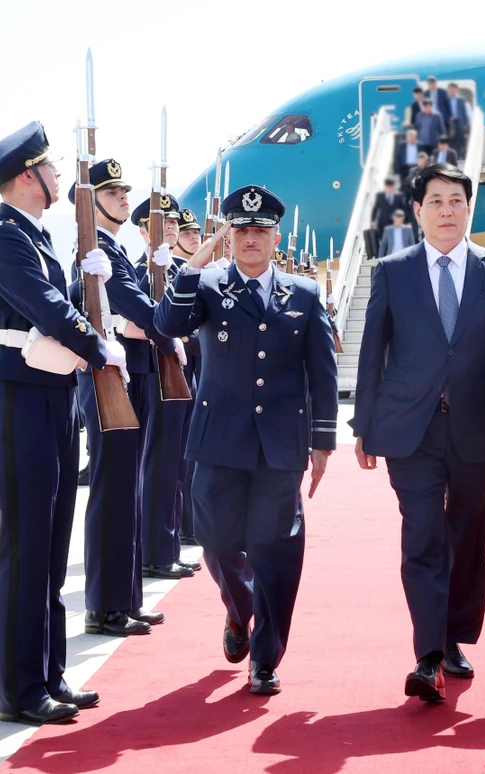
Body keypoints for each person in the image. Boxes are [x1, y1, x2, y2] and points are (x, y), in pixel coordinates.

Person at [350, 164, 485, 702]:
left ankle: (455, 636)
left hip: (481, 427)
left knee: (468, 541)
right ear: (417, 211)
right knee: (423, 536)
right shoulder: (392, 270)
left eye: (456, 200)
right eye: (436, 201)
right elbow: (371, 354)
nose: (447, 210)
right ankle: (427, 656)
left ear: (470, 208)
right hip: (412, 429)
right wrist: (364, 424)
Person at [155, 185, 338, 696]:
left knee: (275, 549)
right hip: (218, 441)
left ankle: (266, 657)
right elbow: (165, 325)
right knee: (215, 543)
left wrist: (321, 441)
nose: (251, 239)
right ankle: (241, 610)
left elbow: (321, 373)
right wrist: (192, 267)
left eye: (260, 231)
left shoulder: (302, 294)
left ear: (275, 236)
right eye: (241, 231)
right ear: (229, 235)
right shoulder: (208, 285)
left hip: (280, 444)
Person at [0, 121, 127, 724]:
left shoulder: (34, 238)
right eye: (49, 167)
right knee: (26, 545)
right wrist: (99, 346)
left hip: (53, 397)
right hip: (17, 401)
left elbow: (61, 301)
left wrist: (97, 277)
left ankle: (49, 672)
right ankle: (19, 689)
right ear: (25, 178)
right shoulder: (3, 240)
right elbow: (47, 310)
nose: (59, 176)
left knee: (51, 545)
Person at [68, 160, 176, 638]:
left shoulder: (112, 251)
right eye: (112, 193)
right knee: (112, 489)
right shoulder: (91, 253)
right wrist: (173, 318)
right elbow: (133, 308)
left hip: (124, 371)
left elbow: (140, 303)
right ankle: (103, 605)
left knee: (127, 488)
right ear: (89, 202)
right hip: (104, 373)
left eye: (125, 191)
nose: (124, 198)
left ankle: (124, 598)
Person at [130, 195, 197, 580]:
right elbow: (135, 311)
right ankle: (156, 551)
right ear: (144, 231)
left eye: (174, 223)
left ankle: (167, 545)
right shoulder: (144, 268)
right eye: (162, 223)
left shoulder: (172, 268)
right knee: (160, 463)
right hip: (155, 373)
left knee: (175, 462)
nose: (171, 228)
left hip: (177, 371)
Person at [173, 208, 205, 546]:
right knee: (179, 455)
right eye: (186, 232)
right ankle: (185, 525)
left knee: (193, 451)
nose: (194, 237)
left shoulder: (197, 273)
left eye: (196, 233)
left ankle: (193, 521)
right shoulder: (178, 274)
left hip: (197, 365)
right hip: (177, 367)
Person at [446, 82, 468, 157]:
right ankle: (450, 157)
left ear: (456, 90)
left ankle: (458, 157)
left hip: (459, 122)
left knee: (459, 140)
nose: (452, 91)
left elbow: (464, 112)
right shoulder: (445, 99)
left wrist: (465, 123)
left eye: (453, 89)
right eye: (450, 89)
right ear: (448, 90)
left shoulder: (461, 100)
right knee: (450, 140)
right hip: (449, 123)